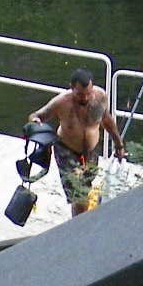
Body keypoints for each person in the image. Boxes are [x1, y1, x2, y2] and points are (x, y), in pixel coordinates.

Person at [29, 68, 124, 216]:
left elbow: (106, 119)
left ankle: (81, 217)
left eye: (88, 93)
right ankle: (79, 224)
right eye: (80, 94)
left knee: (85, 187)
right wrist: (35, 122)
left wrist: (118, 144)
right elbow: (37, 115)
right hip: (66, 150)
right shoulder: (61, 102)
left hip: (91, 150)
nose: (85, 98)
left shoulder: (100, 97)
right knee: (78, 194)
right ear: (72, 88)